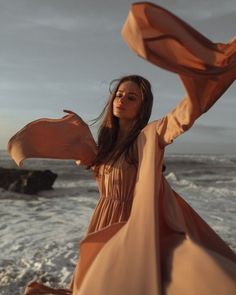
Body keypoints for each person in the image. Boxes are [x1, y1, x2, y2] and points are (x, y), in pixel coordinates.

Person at [8, 2, 236, 295]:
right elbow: (84, 157)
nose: (122, 100)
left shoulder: (149, 135)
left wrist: (203, 85)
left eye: (131, 98)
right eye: (119, 94)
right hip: (103, 218)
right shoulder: (102, 146)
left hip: (134, 223)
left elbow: (183, 117)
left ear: (142, 106)